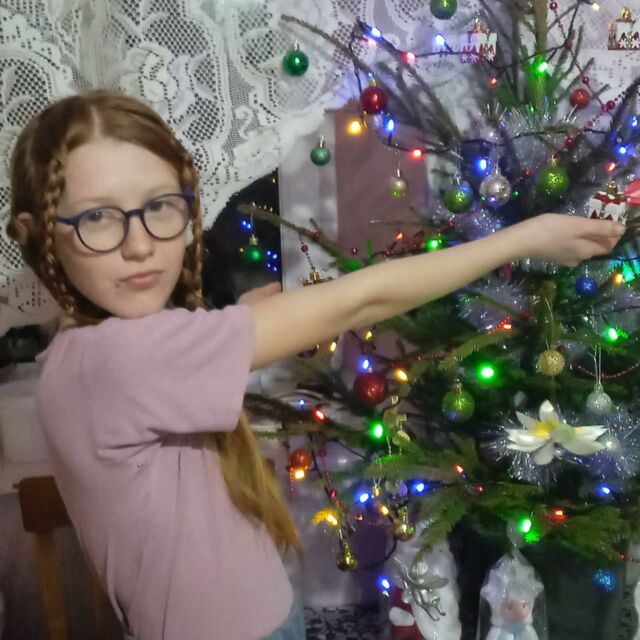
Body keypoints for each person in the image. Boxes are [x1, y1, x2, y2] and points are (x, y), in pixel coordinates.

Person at [6, 90, 624, 640]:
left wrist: (245, 314)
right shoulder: (119, 361)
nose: (140, 244)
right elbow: (363, 300)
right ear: (39, 235)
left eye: (161, 206)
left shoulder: (90, 353)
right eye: (97, 217)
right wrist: (523, 238)